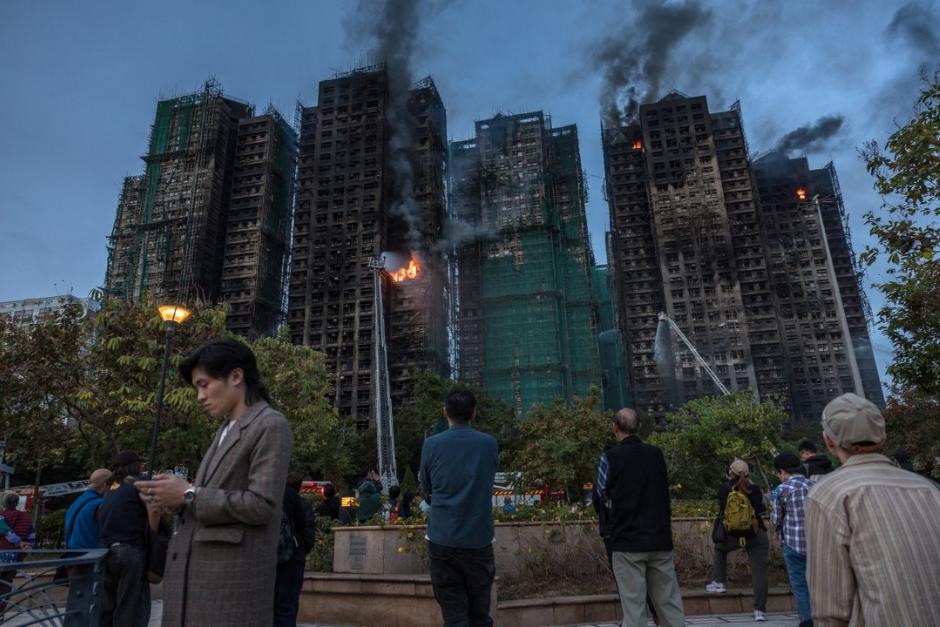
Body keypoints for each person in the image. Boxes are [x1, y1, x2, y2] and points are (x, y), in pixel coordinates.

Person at [134, 338, 293, 627]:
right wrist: (170, 498)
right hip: (195, 588)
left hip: (228, 592)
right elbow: (205, 498)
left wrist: (189, 494)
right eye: (197, 388)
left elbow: (263, 505)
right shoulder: (223, 431)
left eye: (204, 384)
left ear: (235, 376)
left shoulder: (270, 424)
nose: (200, 396)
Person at [806, 393, 940, 626]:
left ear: (828, 440)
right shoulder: (927, 489)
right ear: (882, 437)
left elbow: (830, 609)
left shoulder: (829, 494)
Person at [595, 408, 684, 627]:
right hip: (659, 539)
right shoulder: (656, 454)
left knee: (634, 608)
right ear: (639, 428)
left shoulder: (610, 457)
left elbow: (599, 495)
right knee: (669, 603)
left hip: (627, 541)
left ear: (614, 427)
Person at [419, 389, 498, 627]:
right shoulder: (489, 444)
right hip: (478, 539)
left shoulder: (431, 444)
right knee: (480, 615)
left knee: (454, 616)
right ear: (474, 413)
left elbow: (426, 487)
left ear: (445, 413)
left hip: (442, 539)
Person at [98, 452, 161, 627]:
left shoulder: (111, 487)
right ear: (135, 465)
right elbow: (154, 509)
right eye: (140, 464)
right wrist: (153, 536)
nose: (143, 467)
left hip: (108, 551)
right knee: (131, 608)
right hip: (130, 549)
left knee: (109, 607)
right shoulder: (138, 482)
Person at [706, 459, 769, 623]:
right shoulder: (754, 489)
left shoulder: (725, 488)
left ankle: (719, 582)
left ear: (730, 473)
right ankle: (759, 611)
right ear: (748, 473)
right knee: (759, 572)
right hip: (756, 534)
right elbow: (761, 510)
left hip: (732, 535)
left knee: (720, 549)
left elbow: (722, 510)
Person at [771, 453, 814, 627]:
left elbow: (776, 520)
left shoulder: (781, 490)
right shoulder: (814, 486)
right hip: (815, 544)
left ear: (782, 471)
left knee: (799, 585)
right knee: (817, 584)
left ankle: (806, 620)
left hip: (792, 544)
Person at [274, 473, 316, 627]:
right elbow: (307, 529)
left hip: (271, 559)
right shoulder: (299, 502)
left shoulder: (272, 498)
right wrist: (303, 549)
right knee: (287, 607)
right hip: (292, 558)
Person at [0, 492, 34, 617]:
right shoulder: (26, 518)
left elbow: (5, 531)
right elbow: (31, 536)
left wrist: (18, 542)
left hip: (1, 552)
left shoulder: (0, 516)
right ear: (17, 503)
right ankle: (0, 612)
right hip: (16, 556)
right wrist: (26, 548)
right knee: (6, 584)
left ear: (4, 502)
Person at [64, 468, 111, 550]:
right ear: (104, 485)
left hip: (72, 556)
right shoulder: (100, 505)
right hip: (92, 558)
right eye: (113, 485)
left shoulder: (75, 503)